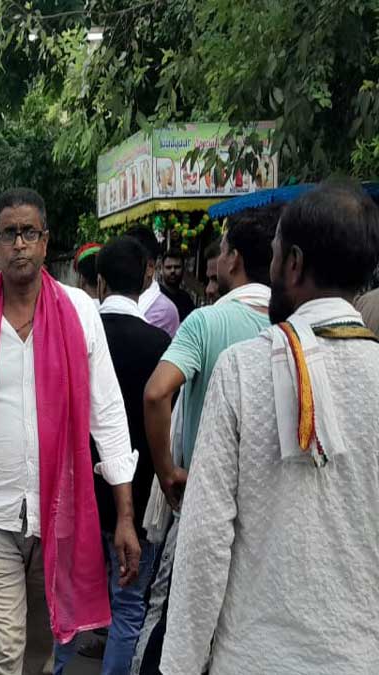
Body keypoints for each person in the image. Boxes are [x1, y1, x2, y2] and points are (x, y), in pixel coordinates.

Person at [161, 182, 379, 674]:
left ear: (295, 264)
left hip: (253, 658)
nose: (272, 268)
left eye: (276, 254)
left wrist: (179, 666)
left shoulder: (244, 368)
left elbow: (205, 543)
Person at [0, 187, 140, 675]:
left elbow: (108, 413)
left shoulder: (80, 312)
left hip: (58, 515)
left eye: (29, 233)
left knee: (42, 653)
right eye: (9, 234)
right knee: (3, 652)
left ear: (46, 243)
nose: (20, 243)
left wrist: (126, 515)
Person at [136, 204, 278, 674]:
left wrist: (168, 472)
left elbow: (157, 393)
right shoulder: (290, 329)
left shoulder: (206, 321)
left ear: (232, 258)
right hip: (267, 509)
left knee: (168, 617)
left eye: (218, 250)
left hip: (200, 497)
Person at [52, 236, 170, 675]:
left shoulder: (74, 334)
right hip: (134, 500)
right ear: (147, 277)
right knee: (127, 605)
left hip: (77, 493)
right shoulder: (161, 343)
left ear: (98, 282)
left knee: (64, 599)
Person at [125, 226, 181, 337]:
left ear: (150, 267)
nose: (123, 269)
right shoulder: (121, 298)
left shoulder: (163, 311)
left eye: (129, 263)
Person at [159, 248, 196, 320]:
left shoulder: (186, 299)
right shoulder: (156, 296)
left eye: (177, 267)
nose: (173, 271)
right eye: (168, 267)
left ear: (183, 269)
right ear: (162, 269)